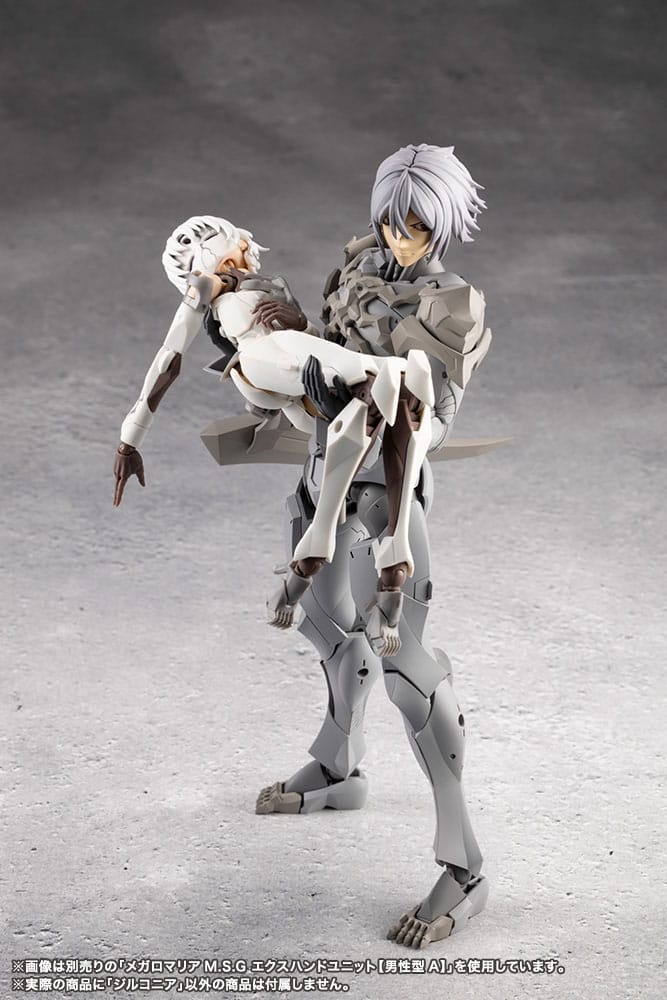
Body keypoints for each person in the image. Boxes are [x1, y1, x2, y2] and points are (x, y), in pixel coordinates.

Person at [256, 144, 493, 949]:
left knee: (407, 671)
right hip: (324, 467)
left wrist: (386, 497)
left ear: (442, 226)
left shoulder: (452, 304)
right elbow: (320, 356)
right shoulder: (357, 269)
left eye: (415, 226)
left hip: (388, 488)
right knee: (325, 624)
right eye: (391, 221)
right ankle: (338, 767)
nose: (398, 237)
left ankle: (464, 868)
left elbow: (425, 417)